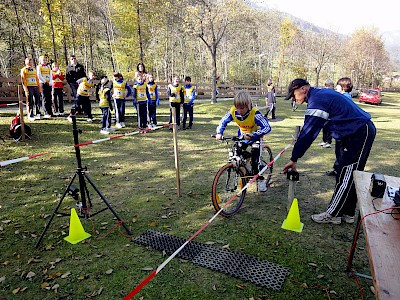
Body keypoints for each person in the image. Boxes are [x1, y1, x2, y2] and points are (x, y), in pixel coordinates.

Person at [282, 78, 376, 224]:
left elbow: (308, 132)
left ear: (303, 89)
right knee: (345, 172)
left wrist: (294, 158)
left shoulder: (317, 100)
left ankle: (332, 214)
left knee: (347, 172)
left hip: (358, 132)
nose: (293, 99)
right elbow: (312, 126)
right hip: (349, 133)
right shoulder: (318, 96)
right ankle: (347, 213)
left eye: (293, 95)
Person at [215, 90, 272, 192]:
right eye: (237, 107)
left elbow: (267, 127)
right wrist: (219, 133)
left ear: (248, 105)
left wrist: (254, 134)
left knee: (255, 162)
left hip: (255, 138)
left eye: (242, 108)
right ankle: (245, 171)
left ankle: (261, 179)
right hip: (242, 137)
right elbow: (223, 121)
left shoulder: (255, 113)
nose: (239, 110)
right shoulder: (233, 111)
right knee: (237, 156)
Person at [325, 77, 355, 176]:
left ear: (343, 87)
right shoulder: (341, 96)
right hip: (339, 130)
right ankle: (337, 169)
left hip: (345, 130)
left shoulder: (345, 97)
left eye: (337, 85)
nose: (335, 87)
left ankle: (341, 171)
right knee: (338, 150)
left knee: (342, 151)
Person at [319, 78, 335, 148]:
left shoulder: (333, 93)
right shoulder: (324, 92)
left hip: (331, 115)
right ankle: (324, 141)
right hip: (324, 113)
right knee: (324, 128)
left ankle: (329, 142)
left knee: (329, 129)